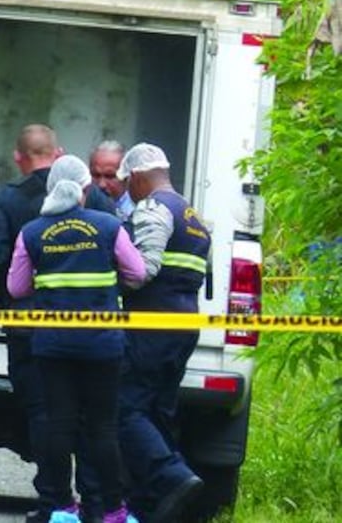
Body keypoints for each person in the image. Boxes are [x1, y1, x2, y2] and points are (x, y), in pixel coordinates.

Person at [0, 127, 105, 522]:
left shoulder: (9, 199)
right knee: (92, 417)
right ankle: (96, 502)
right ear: (59, 152)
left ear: (18, 157)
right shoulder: (92, 196)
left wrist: (14, 288)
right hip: (94, 328)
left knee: (45, 416)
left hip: (31, 330)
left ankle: (56, 504)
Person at [9, 165, 146, 523]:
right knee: (102, 427)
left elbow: (16, 288)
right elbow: (137, 273)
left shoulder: (32, 232)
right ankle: (114, 510)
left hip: (53, 346)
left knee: (58, 425)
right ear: (84, 190)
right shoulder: (109, 226)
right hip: (103, 345)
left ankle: (61, 507)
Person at [115, 143, 209, 522]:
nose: (126, 193)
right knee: (159, 411)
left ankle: (172, 478)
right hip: (185, 324)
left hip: (153, 324)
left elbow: (142, 272)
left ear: (137, 177)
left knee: (125, 407)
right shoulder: (192, 214)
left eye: (127, 184)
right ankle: (157, 505)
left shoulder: (154, 208)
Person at [89, 141, 134, 220]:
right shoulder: (81, 208)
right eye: (96, 175)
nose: (101, 185)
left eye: (110, 176)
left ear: (126, 177)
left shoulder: (137, 213)